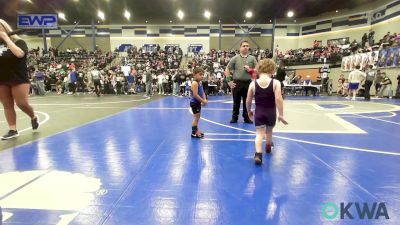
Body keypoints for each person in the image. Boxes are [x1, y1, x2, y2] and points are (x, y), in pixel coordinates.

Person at [0, 19, 39, 139]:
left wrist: (6, 39)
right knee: (7, 105)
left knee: (22, 103)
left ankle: (33, 116)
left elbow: (19, 54)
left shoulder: (19, 41)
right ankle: (13, 129)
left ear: (5, 28)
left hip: (18, 77)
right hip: (2, 78)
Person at [246, 59, 288, 165]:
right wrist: (281, 114)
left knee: (259, 134)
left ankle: (258, 154)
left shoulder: (253, 83)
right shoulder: (276, 83)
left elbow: (248, 100)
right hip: (271, 112)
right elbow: (279, 99)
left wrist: (248, 111)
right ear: (273, 70)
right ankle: (268, 146)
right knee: (269, 131)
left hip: (259, 112)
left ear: (258, 70)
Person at [225, 40, 257, 123]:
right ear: (240, 47)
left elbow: (257, 70)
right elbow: (227, 69)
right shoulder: (235, 58)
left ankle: (246, 117)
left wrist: (250, 70)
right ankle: (234, 117)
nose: (246, 47)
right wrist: (229, 81)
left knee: (247, 101)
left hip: (248, 83)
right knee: (236, 101)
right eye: (244, 46)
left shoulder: (252, 58)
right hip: (237, 82)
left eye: (247, 46)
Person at [190, 67, 207, 138]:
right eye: (200, 74)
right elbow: (195, 95)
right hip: (195, 103)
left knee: (198, 117)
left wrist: (205, 99)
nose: (202, 76)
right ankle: (193, 132)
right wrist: (203, 101)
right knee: (196, 118)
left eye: (203, 74)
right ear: (194, 75)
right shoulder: (194, 83)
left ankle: (196, 130)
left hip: (198, 103)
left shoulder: (199, 82)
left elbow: (202, 92)